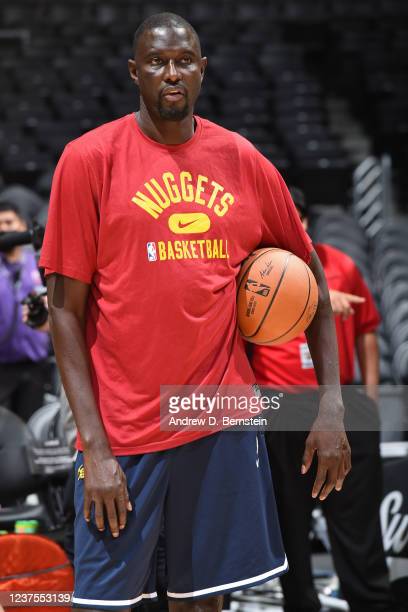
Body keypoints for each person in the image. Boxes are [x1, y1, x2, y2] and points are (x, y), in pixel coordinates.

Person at [39, 13, 350, 612]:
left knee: (203, 601)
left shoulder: (241, 159)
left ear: (203, 70)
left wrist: (330, 402)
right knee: (105, 603)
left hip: (218, 416)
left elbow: (308, 271)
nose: (171, 73)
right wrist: (96, 451)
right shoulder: (88, 160)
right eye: (157, 62)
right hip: (123, 430)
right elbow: (64, 313)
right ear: (135, 73)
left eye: (184, 60)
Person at [250, 187, 396, 612]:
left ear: (306, 222)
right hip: (280, 410)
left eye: (295, 219)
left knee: (358, 528)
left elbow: (368, 327)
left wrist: (367, 397)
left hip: (341, 405)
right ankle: (300, 604)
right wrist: (319, 299)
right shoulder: (254, 270)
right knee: (288, 529)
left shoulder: (342, 266)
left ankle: (372, 602)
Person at [0, 201, 50, 421]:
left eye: (9, 222)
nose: (4, 228)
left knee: (31, 432)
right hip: (2, 367)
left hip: (34, 367)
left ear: (22, 226)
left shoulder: (39, 264)